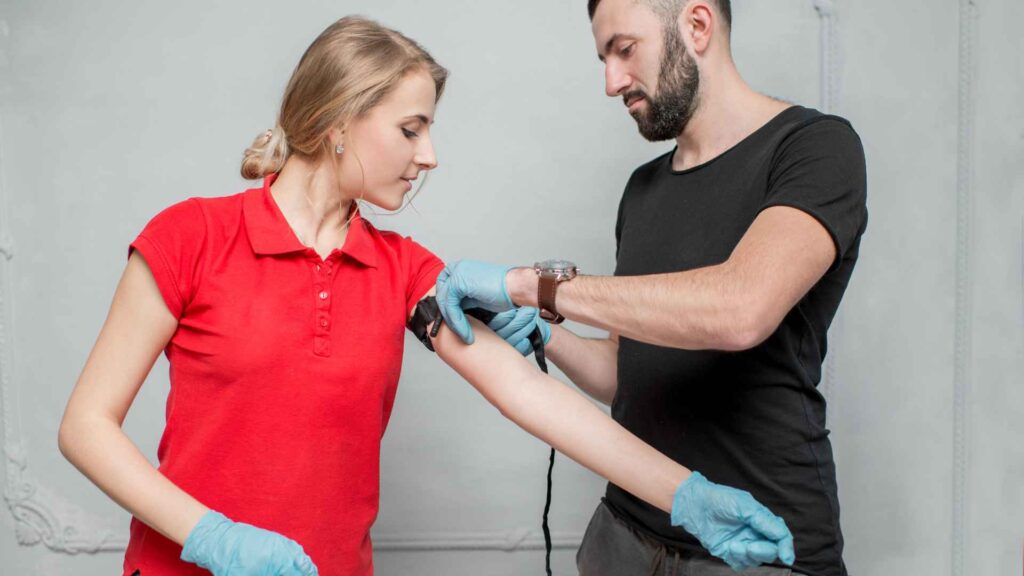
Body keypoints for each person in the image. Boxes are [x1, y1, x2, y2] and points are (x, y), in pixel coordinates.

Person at [58, 15, 794, 576]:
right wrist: (210, 538)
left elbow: (535, 401)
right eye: (411, 129)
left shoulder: (406, 271)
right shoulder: (191, 236)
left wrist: (687, 494)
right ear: (338, 122)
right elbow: (86, 425)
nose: (430, 156)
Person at [435, 1, 868, 575]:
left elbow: (740, 309)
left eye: (624, 49)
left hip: (756, 546)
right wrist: (545, 334)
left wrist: (532, 287)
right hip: (624, 538)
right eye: (603, 58)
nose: (611, 82)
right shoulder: (643, 190)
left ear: (696, 25)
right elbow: (624, 374)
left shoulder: (814, 148)